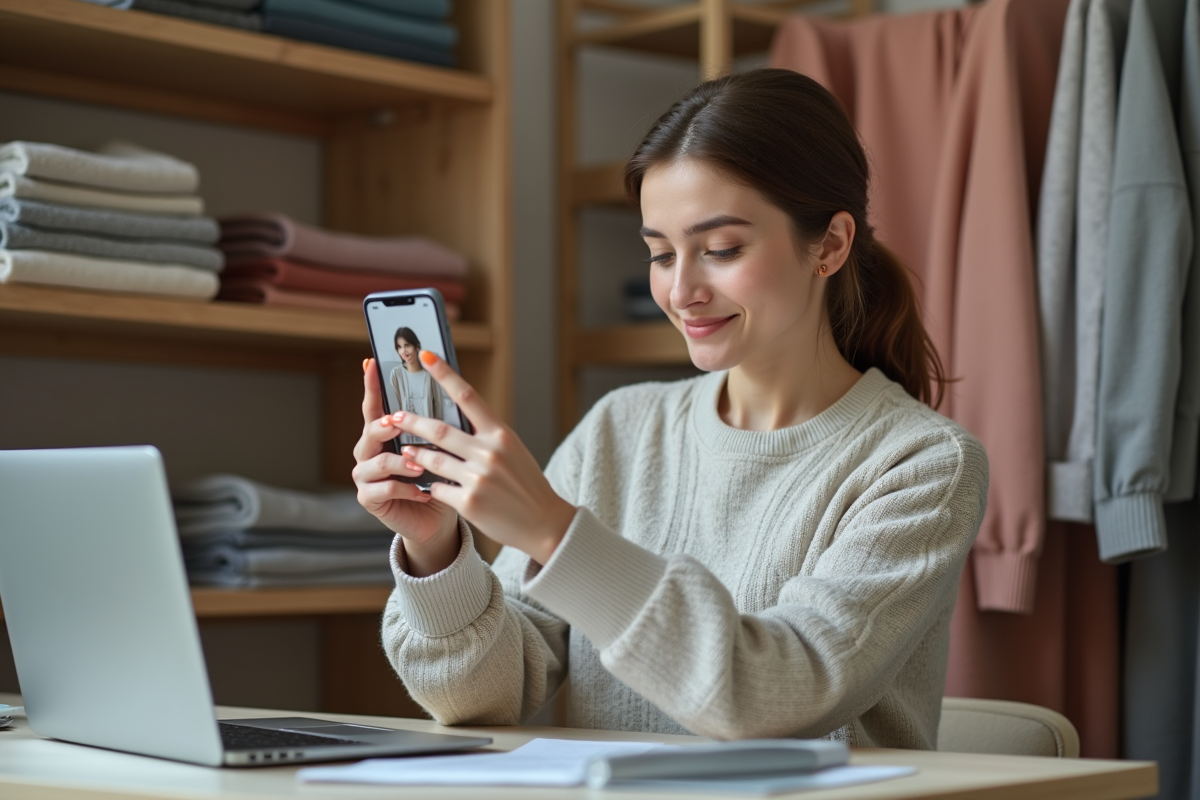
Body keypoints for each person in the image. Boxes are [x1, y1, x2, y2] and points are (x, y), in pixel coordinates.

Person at [352, 69, 988, 749]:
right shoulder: (621, 430)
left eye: (720, 250)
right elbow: (485, 697)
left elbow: (781, 694)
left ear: (829, 244)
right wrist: (436, 549)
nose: (681, 290)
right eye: (659, 253)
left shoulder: (924, 465)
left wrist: (552, 531)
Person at [388, 327, 450, 446]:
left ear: (416, 347)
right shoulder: (397, 374)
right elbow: (395, 408)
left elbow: (437, 406)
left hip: (428, 439)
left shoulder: (430, 376)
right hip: (405, 441)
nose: (403, 351)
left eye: (407, 345)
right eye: (399, 347)